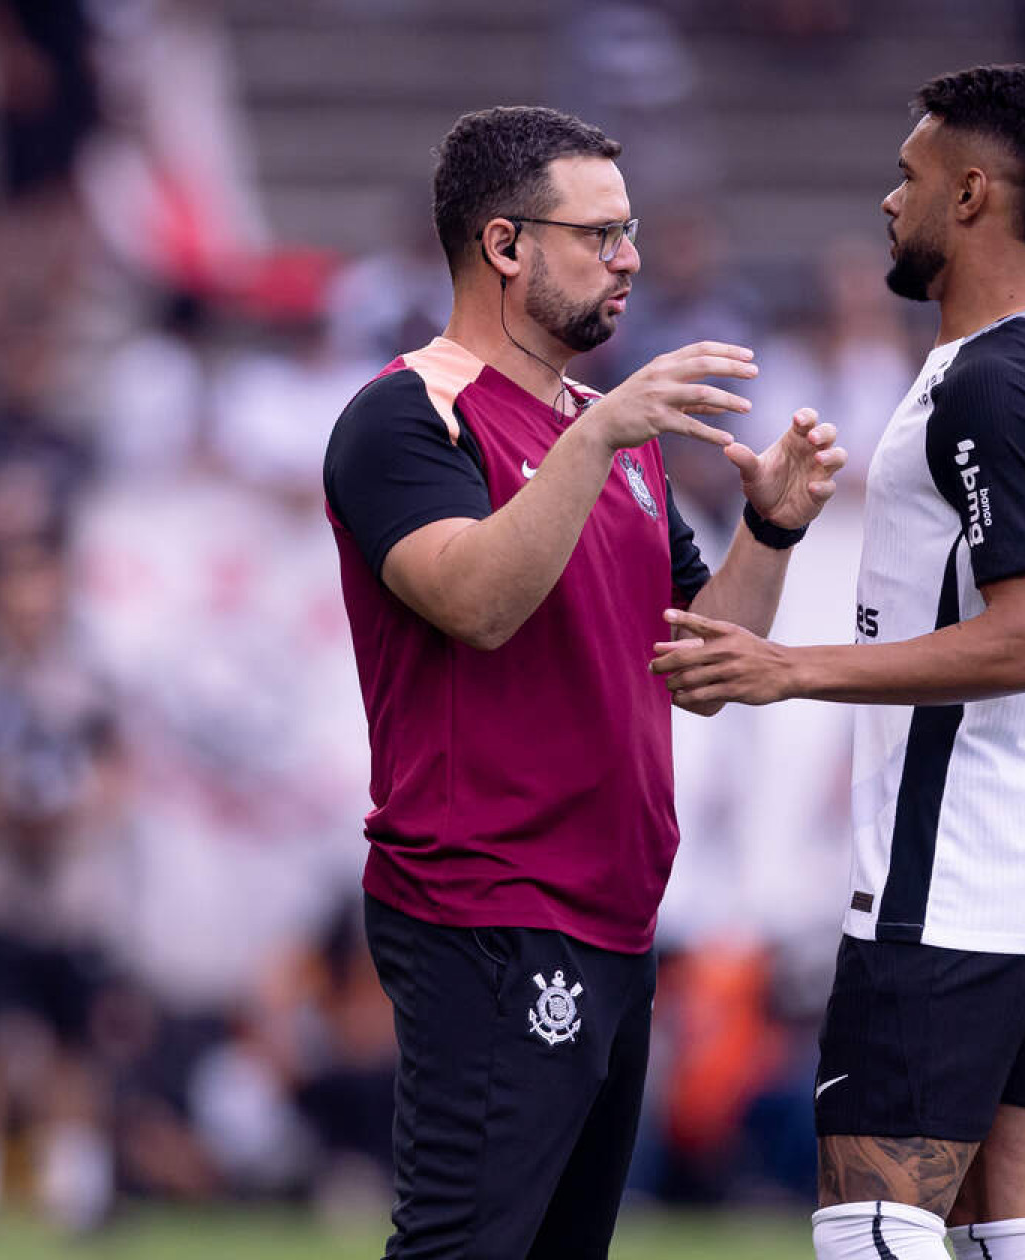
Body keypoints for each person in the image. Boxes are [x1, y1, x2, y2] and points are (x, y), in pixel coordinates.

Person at [322, 105, 845, 1259]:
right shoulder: (407, 413)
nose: (630, 260)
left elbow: (706, 665)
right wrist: (595, 438)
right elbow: (476, 601)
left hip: (614, 914)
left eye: (630, 231)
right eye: (600, 234)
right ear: (505, 245)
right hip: (487, 907)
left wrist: (770, 528)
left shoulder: (611, 434)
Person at [651, 65, 1025, 1260]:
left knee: (870, 1228)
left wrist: (791, 668)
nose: (889, 200)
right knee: (1019, 1234)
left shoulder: (989, 382)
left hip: (955, 879)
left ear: (972, 194)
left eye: (910, 176)